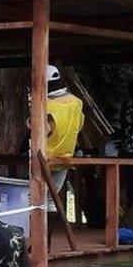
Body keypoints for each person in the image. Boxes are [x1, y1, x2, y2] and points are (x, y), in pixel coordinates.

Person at [44, 66, 84, 242]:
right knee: (52, 200)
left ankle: (38, 241)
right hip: (65, 157)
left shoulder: (46, 104)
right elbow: (80, 125)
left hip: (44, 157)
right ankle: (48, 242)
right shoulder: (76, 102)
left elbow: (43, 129)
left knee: (35, 200)